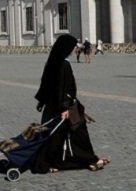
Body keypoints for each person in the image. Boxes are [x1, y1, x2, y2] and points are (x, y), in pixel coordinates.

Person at [32, 34, 110, 174]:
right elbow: (65, 87)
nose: (76, 49)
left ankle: (89, 160)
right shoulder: (64, 64)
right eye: (74, 46)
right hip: (65, 106)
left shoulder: (53, 62)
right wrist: (65, 107)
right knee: (75, 134)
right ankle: (47, 163)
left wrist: (44, 101)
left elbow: (47, 85)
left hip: (54, 105)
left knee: (59, 135)